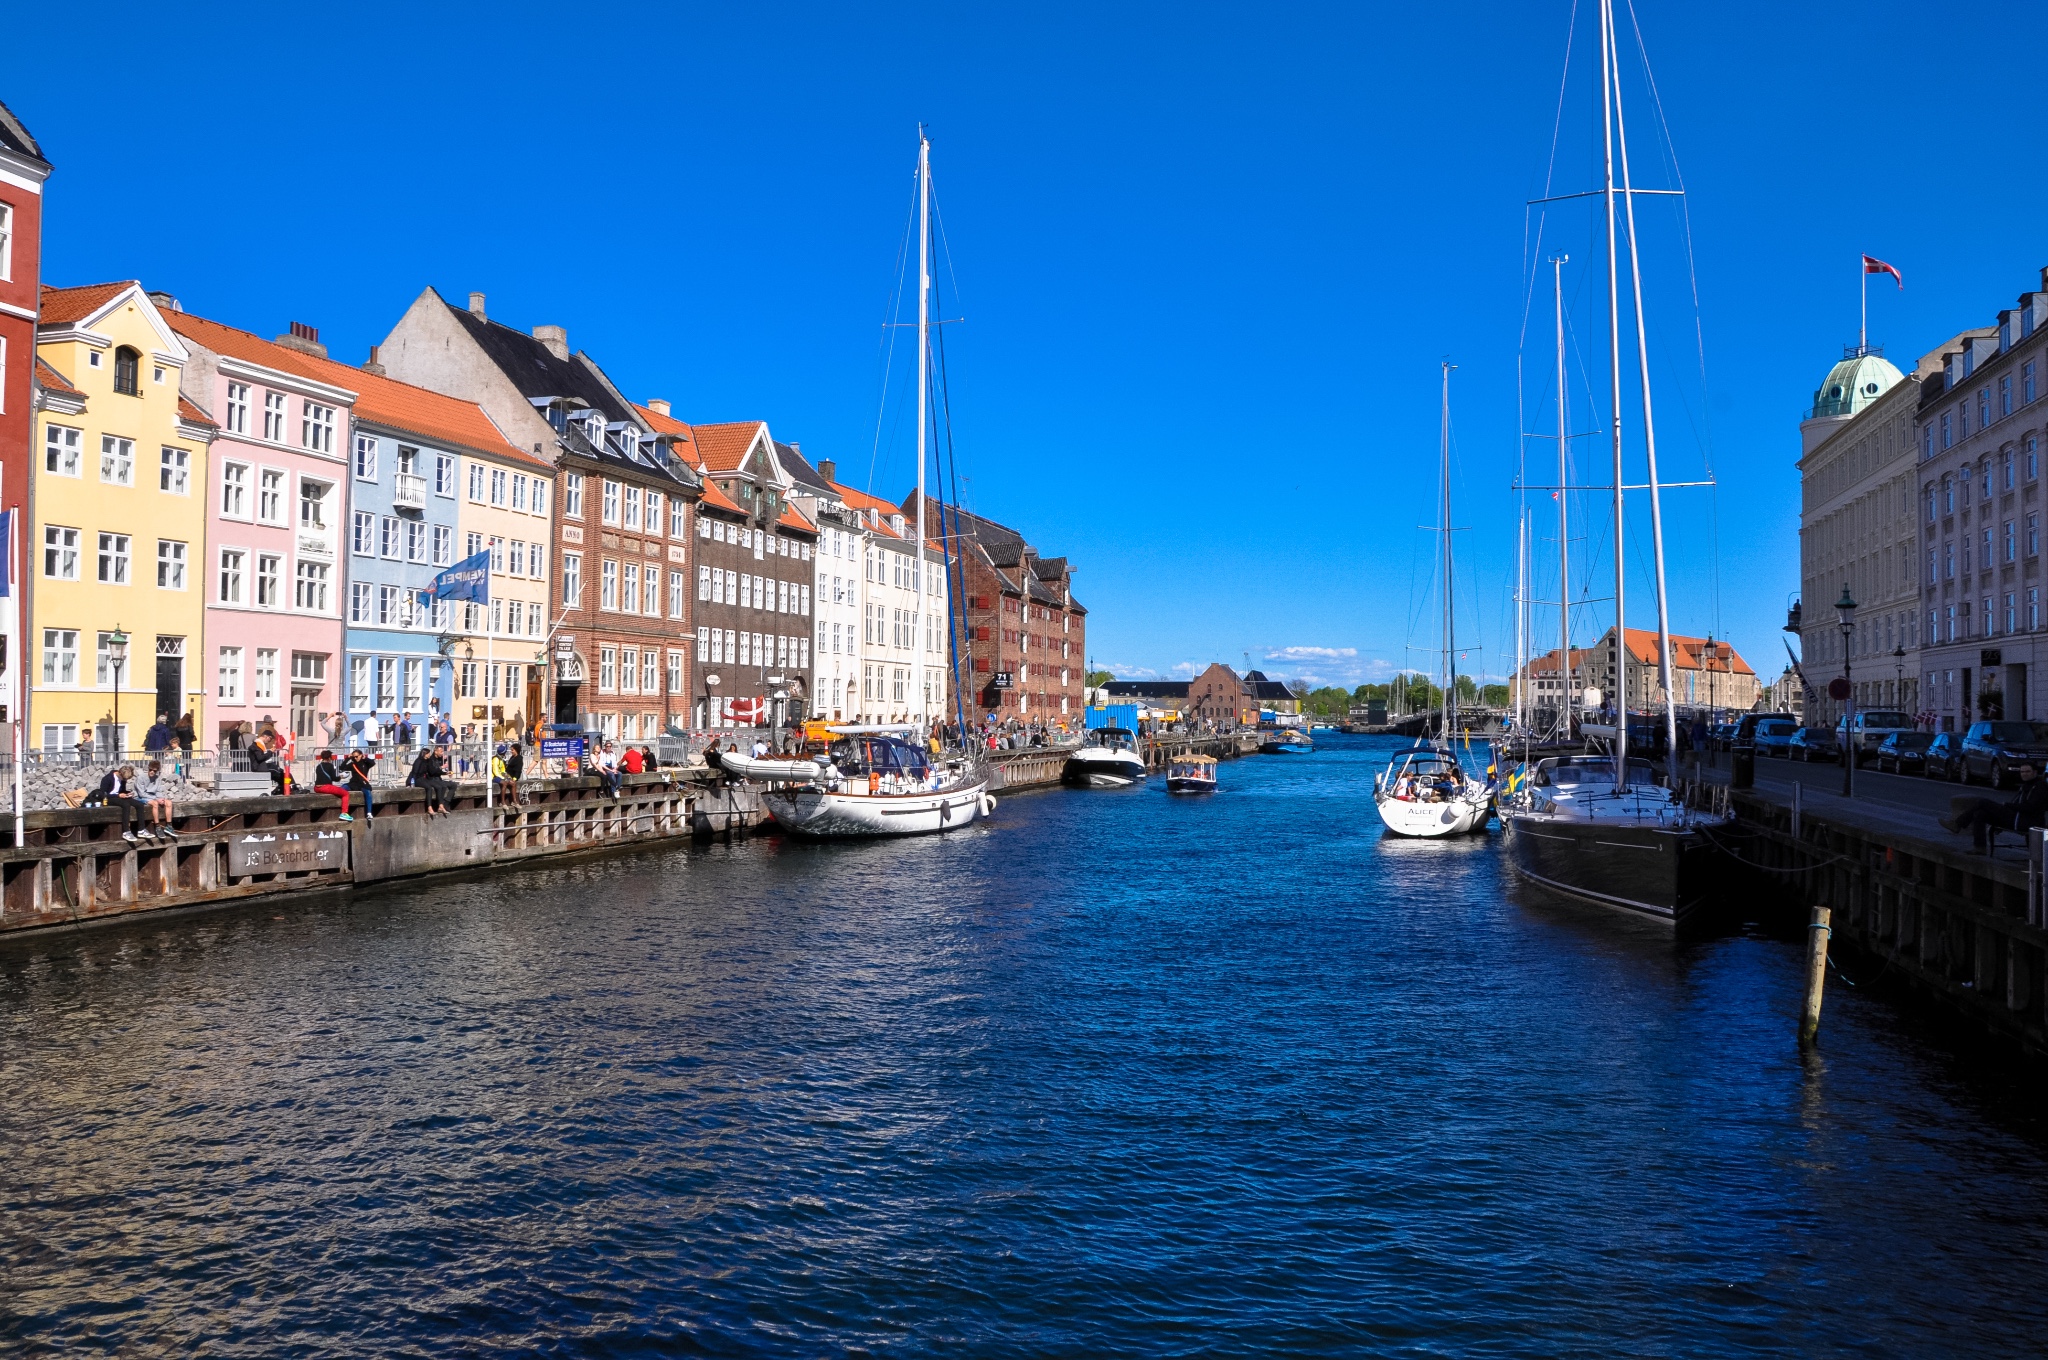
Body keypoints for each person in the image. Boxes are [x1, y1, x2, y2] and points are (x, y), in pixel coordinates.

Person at [1941, 760, 2048, 852]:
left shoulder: (2039, 786)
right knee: (1980, 813)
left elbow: (2030, 807)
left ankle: (1957, 824)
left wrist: (2008, 805)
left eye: (2027, 771)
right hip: (2016, 817)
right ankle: (1979, 848)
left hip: (2025, 821)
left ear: (2035, 772)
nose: (2024, 774)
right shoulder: (2026, 786)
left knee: (1983, 802)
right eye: (2022, 772)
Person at [99, 765, 148, 841]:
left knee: (139, 804)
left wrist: (127, 793)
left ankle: (141, 829)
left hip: (119, 797)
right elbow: (102, 794)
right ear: (120, 774)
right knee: (126, 805)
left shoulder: (122, 779)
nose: (125, 780)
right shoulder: (107, 778)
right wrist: (118, 795)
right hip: (109, 798)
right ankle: (126, 831)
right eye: (125, 778)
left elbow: (122, 791)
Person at [134, 760, 177, 837]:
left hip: (153, 796)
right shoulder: (141, 778)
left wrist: (161, 798)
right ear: (148, 768)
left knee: (169, 802)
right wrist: (156, 799)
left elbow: (158, 791)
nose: (152, 772)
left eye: (154, 771)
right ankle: (157, 826)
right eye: (150, 770)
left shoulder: (158, 778)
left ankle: (169, 826)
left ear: (157, 771)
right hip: (141, 797)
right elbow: (141, 794)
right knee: (155, 803)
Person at [312, 750, 355, 821]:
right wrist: (341, 777)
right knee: (345, 793)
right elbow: (334, 778)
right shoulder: (330, 766)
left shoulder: (319, 766)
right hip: (325, 787)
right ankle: (344, 813)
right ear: (329, 758)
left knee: (337, 789)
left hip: (316, 788)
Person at [410, 745, 452, 816]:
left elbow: (432, 770)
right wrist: (411, 783)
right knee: (429, 788)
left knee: (439, 787)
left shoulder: (427, 761)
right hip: (417, 779)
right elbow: (414, 773)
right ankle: (429, 807)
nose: (429, 755)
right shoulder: (418, 761)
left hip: (424, 778)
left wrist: (444, 771)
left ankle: (441, 806)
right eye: (428, 753)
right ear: (424, 754)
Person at [343, 748, 377, 821]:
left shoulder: (365, 763)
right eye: (354, 757)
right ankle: (344, 812)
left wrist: (366, 758)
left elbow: (373, 763)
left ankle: (369, 813)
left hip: (363, 783)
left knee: (368, 793)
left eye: (357, 756)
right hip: (353, 783)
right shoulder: (352, 764)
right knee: (342, 789)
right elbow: (342, 767)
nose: (355, 758)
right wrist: (347, 758)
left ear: (361, 755)